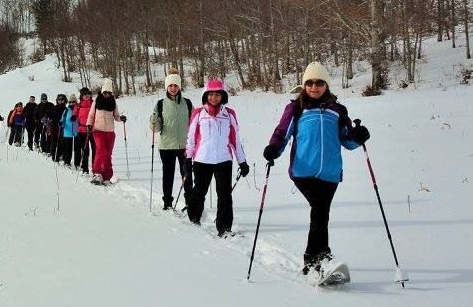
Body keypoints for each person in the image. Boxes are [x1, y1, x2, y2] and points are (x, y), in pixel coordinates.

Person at [264, 62, 369, 274]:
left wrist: (359, 136)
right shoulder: (296, 108)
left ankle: (315, 260)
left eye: (319, 83)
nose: (314, 87)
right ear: (304, 85)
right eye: (310, 83)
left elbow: (347, 141)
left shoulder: (338, 110)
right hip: (303, 171)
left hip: (330, 172)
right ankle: (320, 257)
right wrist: (274, 148)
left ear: (326, 85)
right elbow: (282, 133)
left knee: (321, 214)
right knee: (320, 212)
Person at [185, 79, 249, 236]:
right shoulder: (198, 114)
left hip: (224, 160)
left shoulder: (229, 114)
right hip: (202, 160)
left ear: (223, 96)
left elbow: (235, 140)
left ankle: (224, 228)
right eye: (211, 94)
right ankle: (194, 219)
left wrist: (242, 161)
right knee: (199, 192)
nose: (214, 98)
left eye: (217, 95)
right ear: (205, 96)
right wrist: (187, 158)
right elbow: (191, 139)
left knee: (225, 195)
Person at [149, 72, 193, 210]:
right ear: (166, 87)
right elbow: (156, 129)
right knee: (168, 175)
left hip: (185, 146)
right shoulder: (160, 104)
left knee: (187, 174)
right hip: (166, 146)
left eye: (176, 85)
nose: (173, 88)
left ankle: (189, 202)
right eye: (170, 86)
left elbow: (194, 123)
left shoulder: (187, 103)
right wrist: (153, 121)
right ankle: (167, 202)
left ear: (179, 87)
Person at [87, 79, 125, 184]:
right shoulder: (97, 101)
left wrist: (121, 118)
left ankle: (107, 176)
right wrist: (89, 125)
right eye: (105, 92)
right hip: (98, 130)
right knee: (101, 150)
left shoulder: (113, 102)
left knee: (108, 154)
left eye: (109, 93)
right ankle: (97, 173)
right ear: (102, 92)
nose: (107, 94)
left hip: (110, 132)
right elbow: (91, 115)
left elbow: (116, 116)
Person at [75, 88, 93, 172]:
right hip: (82, 131)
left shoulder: (94, 104)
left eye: (88, 93)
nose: (87, 95)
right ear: (82, 95)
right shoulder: (78, 105)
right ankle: (85, 168)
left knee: (95, 150)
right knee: (86, 150)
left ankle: (95, 169)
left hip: (93, 130)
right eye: (85, 94)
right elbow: (75, 114)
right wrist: (73, 117)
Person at [58, 96, 78, 165]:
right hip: (67, 131)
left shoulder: (78, 109)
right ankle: (67, 162)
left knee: (77, 149)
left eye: (73, 102)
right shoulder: (66, 110)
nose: (72, 103)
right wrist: (60, 123)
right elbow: (62, 120)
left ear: (76, 102)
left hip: (76, 131)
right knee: (68, 148)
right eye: (70, 102)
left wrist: (76, 119)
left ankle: (77, 164)